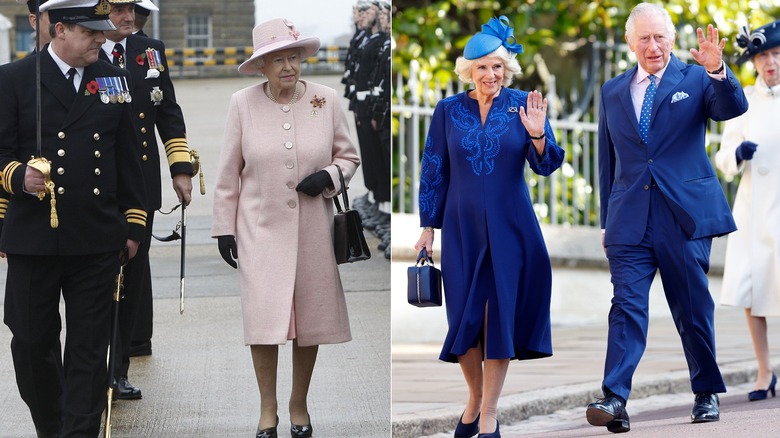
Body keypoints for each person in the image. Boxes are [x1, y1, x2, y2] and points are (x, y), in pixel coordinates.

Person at [588, 2, 749, 433]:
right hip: (629, 219)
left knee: (692, 307)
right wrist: (606, 220)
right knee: (626, 306)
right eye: (644, 38)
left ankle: (705, 391)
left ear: (672, 40)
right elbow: (608, 161)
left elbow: (731, 107)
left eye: (660, 37)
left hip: (684, 216)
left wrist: (719, 70)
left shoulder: (695, 78)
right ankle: (615, 397)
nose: (653, 46)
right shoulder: (612, 90)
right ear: (630, 42)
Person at [0, 0, 148, 436]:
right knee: (30, 342)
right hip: (33, 238)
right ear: (59, 29)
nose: (102, 40)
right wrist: (16, 177)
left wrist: (134, 225)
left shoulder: (113, 79)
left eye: (103, 31)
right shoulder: (14, 79)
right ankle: (52, 425)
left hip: (97, 237)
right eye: (91, 33)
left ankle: (78, 432)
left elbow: (129, 158)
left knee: (88, 349)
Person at [414, 16, 564, 438]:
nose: (491, 75)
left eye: (498, 66)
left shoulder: (524, 105)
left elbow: (548, 163)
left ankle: (489, 414)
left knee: (497, 316)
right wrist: (428, 226)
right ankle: (474, 399)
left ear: (507, 69)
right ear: (468, 70)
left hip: (510, 227)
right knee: (463, 319)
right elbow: (433, 169)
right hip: (461, 229)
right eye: (482, 67)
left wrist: (537, 135)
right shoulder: (447, 110)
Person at [211, 18, 360, 438]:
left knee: (308, 318)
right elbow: (228, 173)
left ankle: (299, 405)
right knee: (263, 320)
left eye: (293, 57)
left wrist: (330, 176)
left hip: (314, 228)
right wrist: (224, 227)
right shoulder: (242, 104)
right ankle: (267, 411)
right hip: (260, 229)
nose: (288, 66)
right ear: (261, 66)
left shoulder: (325, 99)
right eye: (278, 60)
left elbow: (348, 158)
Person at [99, 0, 194, 400]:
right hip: (98, 184)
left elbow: (167, 110)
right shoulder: (85, 51)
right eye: (120, 9)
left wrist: (180, 167)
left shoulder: (148, 50)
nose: (129, 18)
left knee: (133, 274)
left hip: (138, 183)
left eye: (134, 10)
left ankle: (120, 365)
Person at [715, 19, 780, 402]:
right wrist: (737, 154)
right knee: (755, 291)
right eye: (762, 56)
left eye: (775, 54)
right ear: (753, 62)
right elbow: (723, 156)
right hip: (756, 205)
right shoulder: (743, 101)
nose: (770, 62)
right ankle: (764, 370)